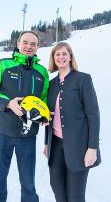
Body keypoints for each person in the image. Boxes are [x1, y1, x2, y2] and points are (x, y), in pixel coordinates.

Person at [0, 31, 49, 202]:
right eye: (25, 42)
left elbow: (44, 100)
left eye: (33, 44)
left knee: (28, 183)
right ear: (18, 43)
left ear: (37, 47)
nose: (29, 46)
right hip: (2, 132)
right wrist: (8, 103)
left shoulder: (42, 72)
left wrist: (44, 114)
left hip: (28, 137)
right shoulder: (2, 65)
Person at [43, 42, 101, 202]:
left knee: (75, 195)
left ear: (70, 57)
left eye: (64, 54)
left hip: (79, 146)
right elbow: (49, 115)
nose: (61, 57)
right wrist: (47, 143)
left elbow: (94, 115)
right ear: (53, 58)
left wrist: (92, 148)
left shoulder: (83, 79)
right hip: (55, 146)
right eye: (57, 54)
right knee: (57, 190)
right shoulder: (51, 84)